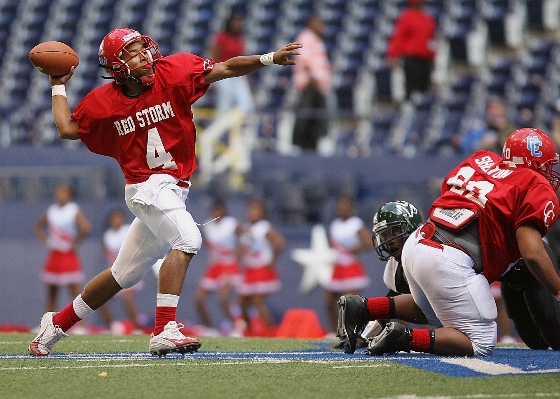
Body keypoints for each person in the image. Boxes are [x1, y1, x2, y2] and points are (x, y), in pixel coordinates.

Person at [28, 27, 301, 357]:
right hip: (147, 186)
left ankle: (54, 326)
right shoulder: (103, 103)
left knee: (123, 274)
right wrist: (58, 86)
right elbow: (67, 128)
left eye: (143, 46)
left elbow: (225, 68)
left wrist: (268, 58)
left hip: (173, 188)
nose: (144, 54)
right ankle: (164, 329)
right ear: (117, 65)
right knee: (188, 239)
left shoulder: (173, 71)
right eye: (132, 51)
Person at [337, 127, 560, 357]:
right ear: (534, 162)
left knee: (435, 310)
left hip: (419, 242)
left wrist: (368, 328)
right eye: (547, 165)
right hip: (451, 258)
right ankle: (404, 338)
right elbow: (532, 253)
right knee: (481, 341)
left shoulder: (481, 160)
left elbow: (449, 192)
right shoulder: (534, 184)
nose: (551, 171)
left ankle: (363, 307)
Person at [337, 200, 423, 353]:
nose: (389, 241)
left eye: (395, 232)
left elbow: (434, 308)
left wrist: (366, 309)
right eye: (385, 235)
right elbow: (391, 303)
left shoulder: (427, 256)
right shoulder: (397, 263)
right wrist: (364, 337)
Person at [34, 183, 91, 318]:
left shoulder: (73, 209)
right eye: (58, 192)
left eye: (63, 193)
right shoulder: (51, 210)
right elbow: (38, 226)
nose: (60, 195)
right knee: (52, 292)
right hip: (54, 254)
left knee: (74, 291)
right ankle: (47, 322)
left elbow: (86, 228)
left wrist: (74, 243)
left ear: (70, 196)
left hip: (68, 254)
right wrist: (47, 241)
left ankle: (81, 325)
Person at [238, 198, 285, 335]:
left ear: (263, 213)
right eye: (250, 209)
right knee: (242, 303)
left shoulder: (264, 227)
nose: (252, 213)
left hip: (262, 270)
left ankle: (271, 332)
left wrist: (272, 260)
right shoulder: (247, 228)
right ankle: (249, 331)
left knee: (258, 302)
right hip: (250, 270)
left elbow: (280, 243)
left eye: (256, 210)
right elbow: (242, 248)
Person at [194, 200, 242, 335]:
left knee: (223, 299)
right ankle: (209, 328)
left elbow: (247, 235)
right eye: (214, 211)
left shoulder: (231, 223)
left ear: (224, 211)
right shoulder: (207, 226)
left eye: (219, 210)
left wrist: (240, 250)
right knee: (199, 300)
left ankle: (237, 328)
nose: (217, 213)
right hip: (214, 266)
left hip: (229, 266)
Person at [324, 197, 372, 333]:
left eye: (345, 206)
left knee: (351, 305)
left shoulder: (355, 224)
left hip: (351, 267)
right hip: (338, 267)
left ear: (351, 208)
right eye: (339, 207)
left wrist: (357, 248)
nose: (341, 209)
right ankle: (336, 332)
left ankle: (357, 331)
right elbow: (332, 244)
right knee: (329, 303)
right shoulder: (335, 225)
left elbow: (369, 242)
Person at [98, 208, 145, 335]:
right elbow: (107, 254)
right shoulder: (107, 235)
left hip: (130, 271)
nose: (116, 221)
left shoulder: (129, 230)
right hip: (115, 273)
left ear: (123, 219)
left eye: (118, 218)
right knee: (101, 299)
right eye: (113, 218)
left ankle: (137, 328)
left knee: (127, 298)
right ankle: (111, 328)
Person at [291, 14, 332, 151]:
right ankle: (299, 145)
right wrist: (315, 81)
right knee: (306, 117)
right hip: (310, 85)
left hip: (318, 86)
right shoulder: (306, 37)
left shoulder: (317, 40)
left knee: (315, 121)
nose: (322, 27)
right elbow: (305, 61)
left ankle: (311, 146)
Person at [386, 0, 437, 100]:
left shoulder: (428, 18)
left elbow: (431, 40)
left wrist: (432, 58)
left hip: (425, 59)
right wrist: (393, 55)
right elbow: (399, 38)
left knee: (424, 89)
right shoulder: (407, 17)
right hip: (412, 59)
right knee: (411, 89)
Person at [208, 13, 254, 114]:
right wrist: (212, 77)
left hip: (238, 75)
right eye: (236, 22)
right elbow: (213, 57)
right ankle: (222, 128)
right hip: (223, 73)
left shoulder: (240, 40)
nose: (238, 25)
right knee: (224, 105)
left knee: (247, 104)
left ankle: (236, 127)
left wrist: (248, 79)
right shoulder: (221, 38)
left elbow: (244, 60)